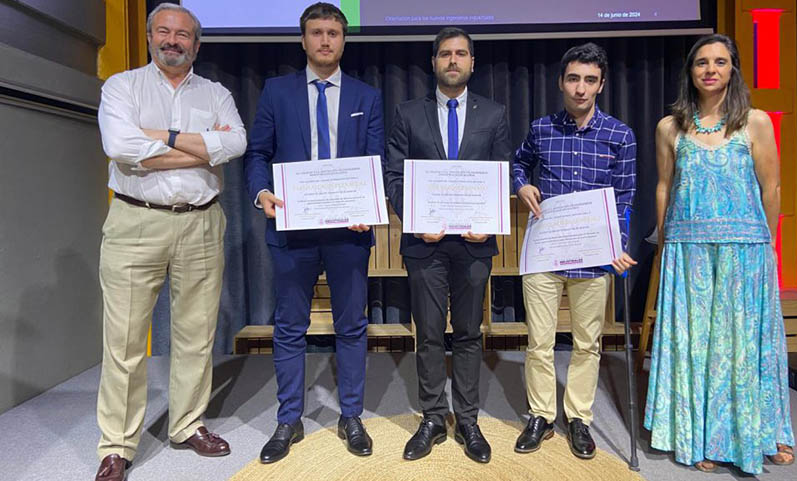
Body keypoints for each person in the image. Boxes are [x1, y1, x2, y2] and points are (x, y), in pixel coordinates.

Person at [94, 3, 246, 480]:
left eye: (183, 34)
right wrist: (201, 150)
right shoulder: (121, 87)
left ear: (196, 44)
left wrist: (158, 140)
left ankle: (187, 424)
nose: (173, 40)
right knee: (123, 341)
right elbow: (121, 148)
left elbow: (236, 143)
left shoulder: (216, 93)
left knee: (196, 334)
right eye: (164, 31)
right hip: (136, 222)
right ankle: (117, 445)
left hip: (201, 222)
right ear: (149, 37)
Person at [643, 33, 794, 474]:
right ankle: (700, 436)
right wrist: (667, 241)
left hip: (743, 250)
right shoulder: (670, 127)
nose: (711, 69)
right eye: (702, 63)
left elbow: (772, 187)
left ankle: (757, 433)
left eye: (720, 62)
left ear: (733, 69)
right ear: (690, 72)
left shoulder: (756, 123)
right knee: (697, 346)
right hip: (687, 247)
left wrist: (766, 244)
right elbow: (664, 186)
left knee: (741, 346)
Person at [244, 2, 384, 464]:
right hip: (291, 231)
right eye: (317, 33)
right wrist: (261, 191)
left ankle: (351, 416)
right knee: (288, 327)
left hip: (348, 233)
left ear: (344, 41)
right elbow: (258, 154)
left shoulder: (367, 96)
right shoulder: (276, 91)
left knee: (351, 325)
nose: (325, 41)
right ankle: (289, 420)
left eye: (334, 33)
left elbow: (376, 161)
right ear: (303, 40)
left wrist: (370, 205)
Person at [384, 27, 512, 464]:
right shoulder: (407, 113)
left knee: (470, 333)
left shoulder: (494, 114)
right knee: (430, 334)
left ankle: (469, 418)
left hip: (475, 245)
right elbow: (394, 176)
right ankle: (434, 417)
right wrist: (415, 221)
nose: (453, 61)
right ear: (434, 62)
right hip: (425, 245)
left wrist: (490, 221)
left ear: (472, 63)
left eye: (461, 54)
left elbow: (502, 173)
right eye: (445, 54)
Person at [512, 43, 636, 459]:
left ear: (601, 84)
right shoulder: (541, 128)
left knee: (587, 344)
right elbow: (517, 164)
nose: (580, 88)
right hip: (545, 253)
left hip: (595, 255)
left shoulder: (620, 135)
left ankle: (579, 417)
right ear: (561, 81)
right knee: (539, 342)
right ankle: (542, 416)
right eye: (573, 79)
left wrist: (617, 245)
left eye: (589, 80)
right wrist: (522, 185)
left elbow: (625, 196)